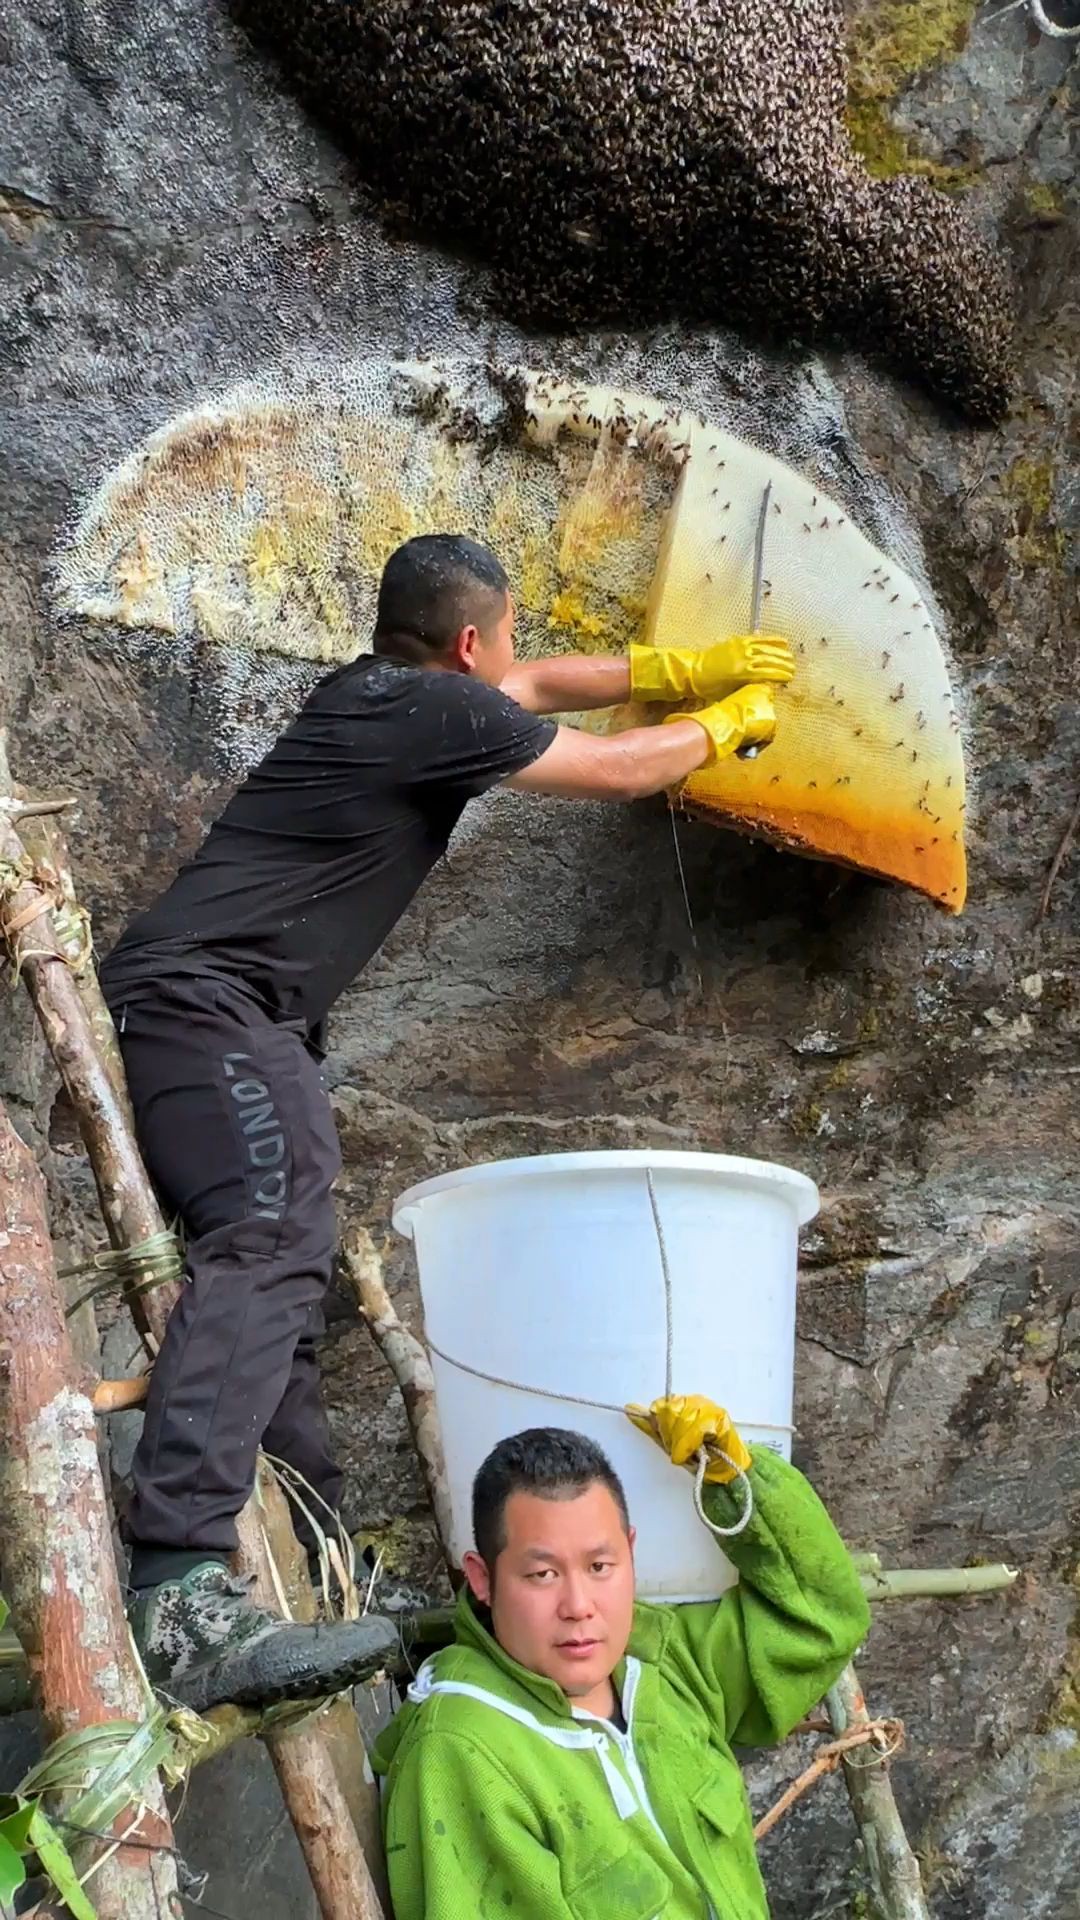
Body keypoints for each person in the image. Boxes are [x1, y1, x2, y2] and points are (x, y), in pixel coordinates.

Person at [100, 533, 794, 1710]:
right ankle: (177, 1591)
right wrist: (720, 726)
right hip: (208, 1007)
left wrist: (674, 668)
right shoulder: (433, 713)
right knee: (272, 1237)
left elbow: (534, 684)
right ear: (468, 642)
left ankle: (322, 1570)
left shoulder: (379, 692)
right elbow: (621, 772)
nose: (514, 661)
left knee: (287, 1273)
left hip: (217, 1009)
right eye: (506, 636)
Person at [374, 1397, 869, 1919]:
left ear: (630, 1553)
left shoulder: (666, 1664)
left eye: (600, 1565)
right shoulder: (463, 1752)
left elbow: (821, 1621)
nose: (579, 1607)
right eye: (542, 1574)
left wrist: (734, 1478)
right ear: (483, 1580)